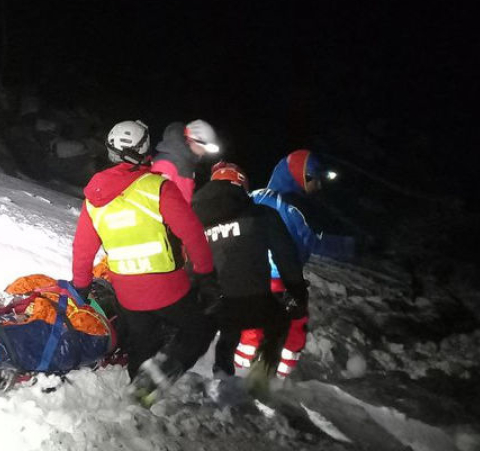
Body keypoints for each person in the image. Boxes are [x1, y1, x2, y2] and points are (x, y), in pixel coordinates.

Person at [70, 119, 219, 405]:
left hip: (128, 294)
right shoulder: (158, 188)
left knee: (142, 343)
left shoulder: (94, 198)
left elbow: (83, 250)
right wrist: (205, 274)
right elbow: (193, 235)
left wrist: (81, 287)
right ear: (144, 149)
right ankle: (157, 378)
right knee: (200, 328)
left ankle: (137, 400)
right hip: (169, 289)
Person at [191, 162, 308, 390]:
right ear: (241, 186)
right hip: (252, 302)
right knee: (281, 320)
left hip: (207, 305)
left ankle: (222, 373)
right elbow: (286, 256)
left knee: (229, 321)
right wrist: (298, 292)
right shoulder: (262, 214)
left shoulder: (194, 219)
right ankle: (262, 378)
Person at [238, 148, 329, 378]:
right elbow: (313, 244)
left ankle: (237, 372)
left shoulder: (256, 195)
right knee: (295, 324)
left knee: (252, 326)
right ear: (299, 176)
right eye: (313, 179)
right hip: (280, 278)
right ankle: (278, 378)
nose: (317, 185)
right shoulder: (296, 207)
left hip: (250, 274)